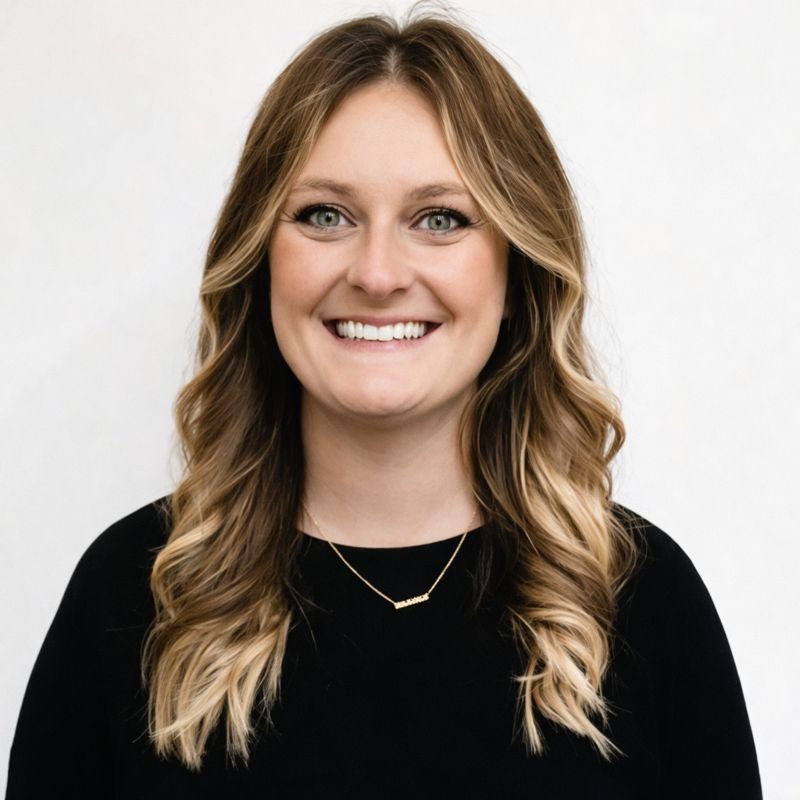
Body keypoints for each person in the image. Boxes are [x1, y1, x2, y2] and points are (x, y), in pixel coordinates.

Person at [6, 8, 762, 799]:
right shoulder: (132, 598)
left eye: (440, 219)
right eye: (324, 215)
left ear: (516, 277)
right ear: (260, 259)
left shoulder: (643, 607)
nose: (375, 272)